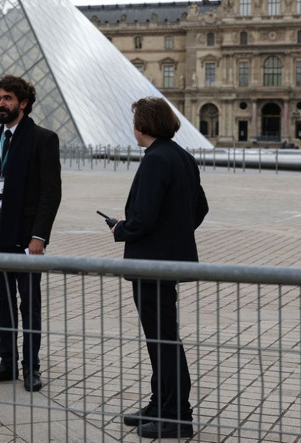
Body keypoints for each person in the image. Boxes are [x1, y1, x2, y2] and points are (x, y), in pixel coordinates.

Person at [111, 97, 208, 438]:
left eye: (135, 119)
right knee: (162, 337)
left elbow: (143, 218)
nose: (133, 125)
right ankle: (161, 404)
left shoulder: (155, 160)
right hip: (169, 259)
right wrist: (175, 234)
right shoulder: (182, 156)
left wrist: (120, 229)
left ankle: (177, 415)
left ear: (144, 123)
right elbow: (200, 207)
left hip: (150, 262)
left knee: (163, 339)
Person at [0, 74, 62, 392]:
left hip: (26, 235)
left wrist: (39, 236)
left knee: (30, 304)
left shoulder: (43, 139)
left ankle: (31, 367)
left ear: (23, 103)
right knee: (3, 301)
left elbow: (51, 193)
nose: (1, 103)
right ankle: (8, 362)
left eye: (7, 98)